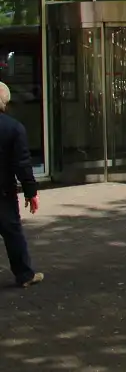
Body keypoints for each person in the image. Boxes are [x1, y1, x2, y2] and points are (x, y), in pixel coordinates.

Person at [0, 82, 42, 288]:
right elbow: (22, 164)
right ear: (5, 102)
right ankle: (24, 274)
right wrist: (30, 192)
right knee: (12, 232)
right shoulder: (14, 128)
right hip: (3, 192)